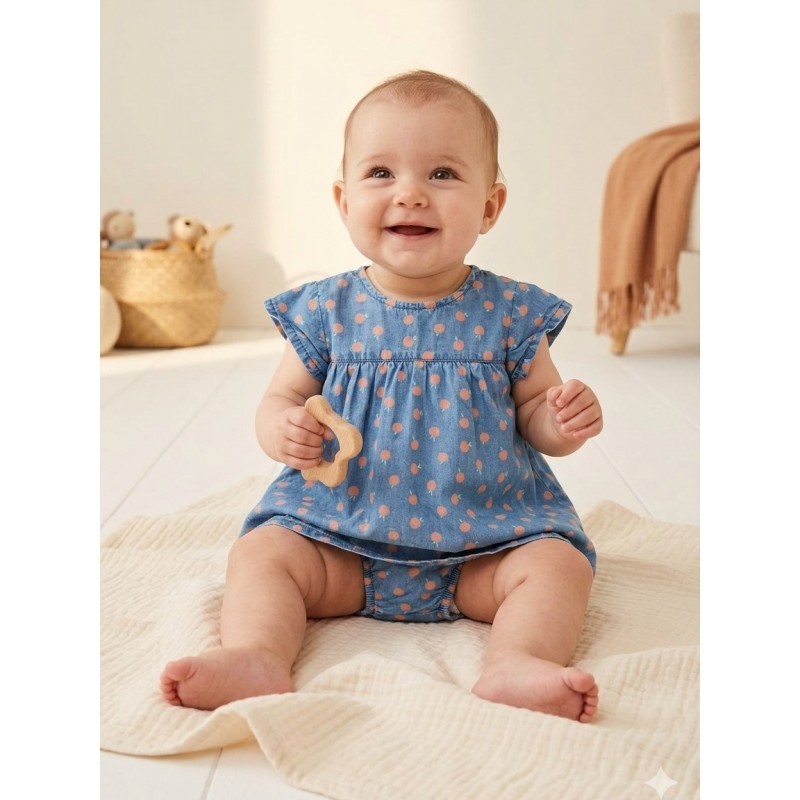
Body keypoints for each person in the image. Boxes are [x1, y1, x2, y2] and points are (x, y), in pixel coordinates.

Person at [160, 69, 603, 722]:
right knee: (262, 553)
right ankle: (255, 652)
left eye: (443, 173)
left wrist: (561, 422)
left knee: (558, 564)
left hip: (485, 546)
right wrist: (283, 429)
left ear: (490, 207)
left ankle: (518, 661)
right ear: (344, 201)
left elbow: (537, 413)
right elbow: (280, 399)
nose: (411, 194)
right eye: (380, 173)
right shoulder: (326, 310)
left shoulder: (511, 313)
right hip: (337, 542)